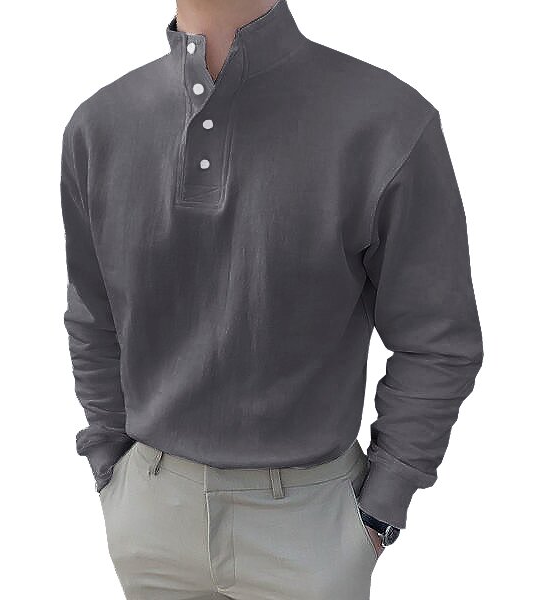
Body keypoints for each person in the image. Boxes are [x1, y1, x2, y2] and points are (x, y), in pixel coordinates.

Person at [59, 0, 483, 598]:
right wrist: (110, 463)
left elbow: (438, 340)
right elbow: (92, 313)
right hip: (149, 515)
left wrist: (384, 503)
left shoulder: (386, 122)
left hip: (310, 526)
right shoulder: (99, 125)